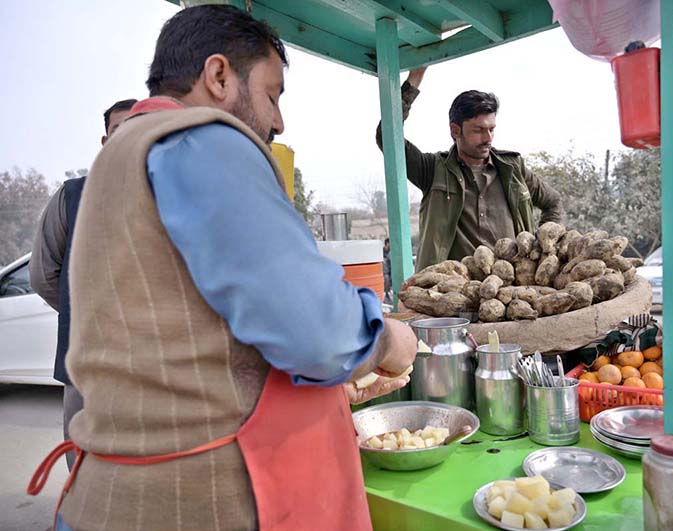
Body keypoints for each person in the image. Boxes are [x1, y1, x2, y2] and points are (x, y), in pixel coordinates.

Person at [29, 6, 417, 531]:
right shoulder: (199, 138)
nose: (278, 120)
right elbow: (318, 331)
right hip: (204, 502)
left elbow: (186, 332)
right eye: (272, 94)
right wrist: (387, 341)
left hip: (107, 496)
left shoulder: (117, 160)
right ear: (218, 76)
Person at [29, 98, 137, 470]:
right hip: (85, 364)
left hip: (151, 367)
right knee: (83, 468)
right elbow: (43, 276)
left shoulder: (173, 197)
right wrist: (89, 315)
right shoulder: (71, 197)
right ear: (105, 141)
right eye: (119, 131)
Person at [376, 67, 563, 271]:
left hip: (509, 290)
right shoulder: (432, 170)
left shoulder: (513, 168)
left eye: (491, 129)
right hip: (452, 291)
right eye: (478, 130)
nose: (488, 138)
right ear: (455, 130)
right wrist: (413, 82)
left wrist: (542, 247)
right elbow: (386, 136)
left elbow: (552, 202)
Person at [383, 237, 392, 303]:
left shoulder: (390, 253)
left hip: (389, 272)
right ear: (387, 243)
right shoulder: (381, 252)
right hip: (384, 273)